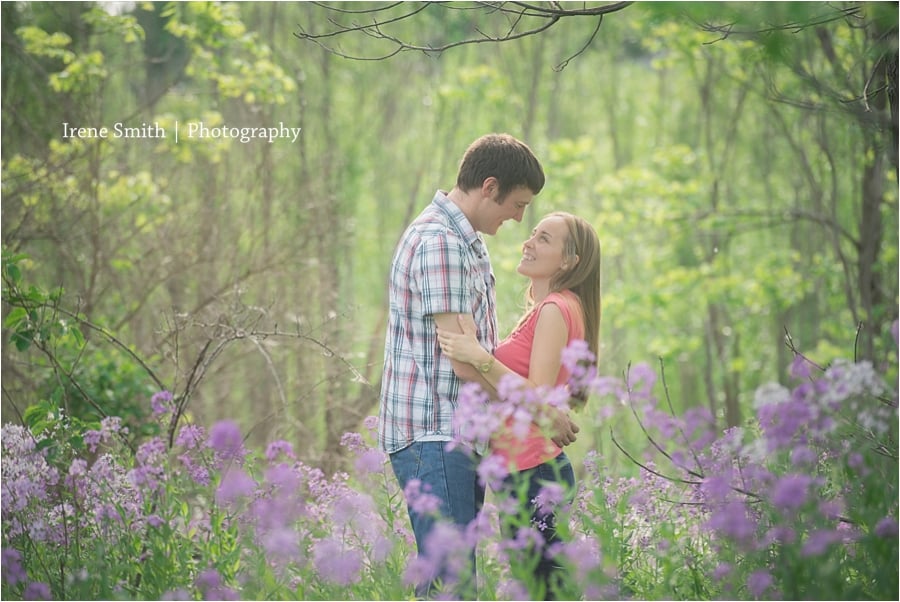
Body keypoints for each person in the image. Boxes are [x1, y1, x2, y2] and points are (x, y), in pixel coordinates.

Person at [378, 133, 578, 598]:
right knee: (452, 583)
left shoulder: (467, 242)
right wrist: (540, 410)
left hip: (457, 434)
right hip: (434, 433)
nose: (518, 218)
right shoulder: (440, 242)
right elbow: (466, 362)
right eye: (518, 204)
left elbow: (477, 353)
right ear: (489, 187)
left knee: (451, 580)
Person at [436, 211, 602, 600]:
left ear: (568, 262)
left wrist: (479, 356)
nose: (528, 242)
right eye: (532, 234)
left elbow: (538, 398)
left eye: (544, 239)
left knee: (546, 590)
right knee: (545, 586)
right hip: (528, 471)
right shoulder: (557, 308)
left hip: (533, 474)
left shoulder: (555, 309)